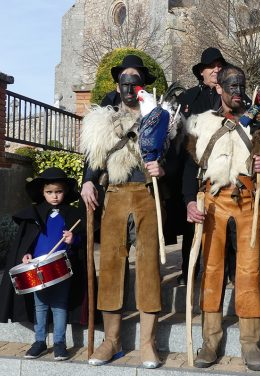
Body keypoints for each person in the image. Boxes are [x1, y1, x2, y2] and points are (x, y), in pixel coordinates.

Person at [80, 54, 164, 368]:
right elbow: (94, 157)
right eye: (124, 83)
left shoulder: (159, 117)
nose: (130, 89)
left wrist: (162, 167)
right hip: (114, 196)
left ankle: (147, 343)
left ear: (142, 86)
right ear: (118, 85)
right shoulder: (103, 119)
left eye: (135, 83)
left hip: (146, 196)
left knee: (148, 267)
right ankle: (111, 340)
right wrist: (88, 182)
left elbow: (174, 156)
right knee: (112, 268)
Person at [184, 64, 260, 371]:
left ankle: (250, 342)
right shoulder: (201, 123)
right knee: (212, 269)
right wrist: (188, 203)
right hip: (213, 201)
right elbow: (188, 168)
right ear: (218, 88)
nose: (237, 92)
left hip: (248, 199)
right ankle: (210, 340)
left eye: (240, 86)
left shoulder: (258, 120)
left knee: (249, 270)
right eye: (230, 86)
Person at [0, 167, 86, 361]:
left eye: (58, 192)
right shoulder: (34, 213)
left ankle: (59, 343)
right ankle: (40, 341)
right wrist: (26, 255)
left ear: (66, 191)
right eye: (49, 192)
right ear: (42, 192)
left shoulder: (72, 214)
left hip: (61, 267)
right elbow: (26, 241)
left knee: (60, 305)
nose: (54, 196)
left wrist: (73, 239)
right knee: (40, 305)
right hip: (37, 267)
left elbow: (83, 240)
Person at [170, 47, 228, 286]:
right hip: (193, 163)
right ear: (201, 72)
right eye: (211, 66)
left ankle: (227, 271)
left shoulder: (231, 95)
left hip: (224, 165)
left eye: (219, 66)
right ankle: (189, 270)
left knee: (225, 222)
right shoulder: (189, 98)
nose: (216, 70)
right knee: (191, 219)